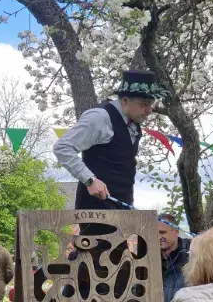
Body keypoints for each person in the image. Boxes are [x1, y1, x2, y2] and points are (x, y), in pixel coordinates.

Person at [54, 70, 167, 216]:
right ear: (125, 100)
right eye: (144, 104)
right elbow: (62, 147)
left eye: (151, 104)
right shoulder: (100, 118)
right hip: (94, 213)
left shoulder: (133, 122)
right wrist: (90, 180)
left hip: (122, 210)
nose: (149, 110)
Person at [158, 214, 189, 302]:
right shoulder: (147, 259)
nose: (158, 237)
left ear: (176, 232)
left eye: (162, 232)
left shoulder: (193, 257)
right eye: (155, 233)